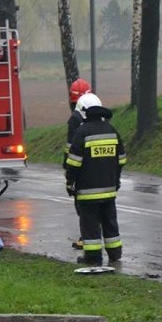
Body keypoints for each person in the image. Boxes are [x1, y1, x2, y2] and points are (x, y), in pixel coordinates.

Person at [65, 93, 127, 266]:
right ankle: (115, 253)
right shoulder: (112, 130)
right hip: (109, 188)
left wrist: (70, 183)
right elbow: (121, 159)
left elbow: (74, 163)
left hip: (87, 191)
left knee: (90, 225)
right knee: (110, 221)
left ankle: (93, 258)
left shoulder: (82, 132)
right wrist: (115, 178)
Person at [64, 78, 92, 250]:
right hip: (99, 166)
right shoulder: (101, 115)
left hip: (81, 167)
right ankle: (94, 235)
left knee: (82, 203)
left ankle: (87, 237)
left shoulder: (74, 119)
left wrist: (68, 171)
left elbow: (70, 147)